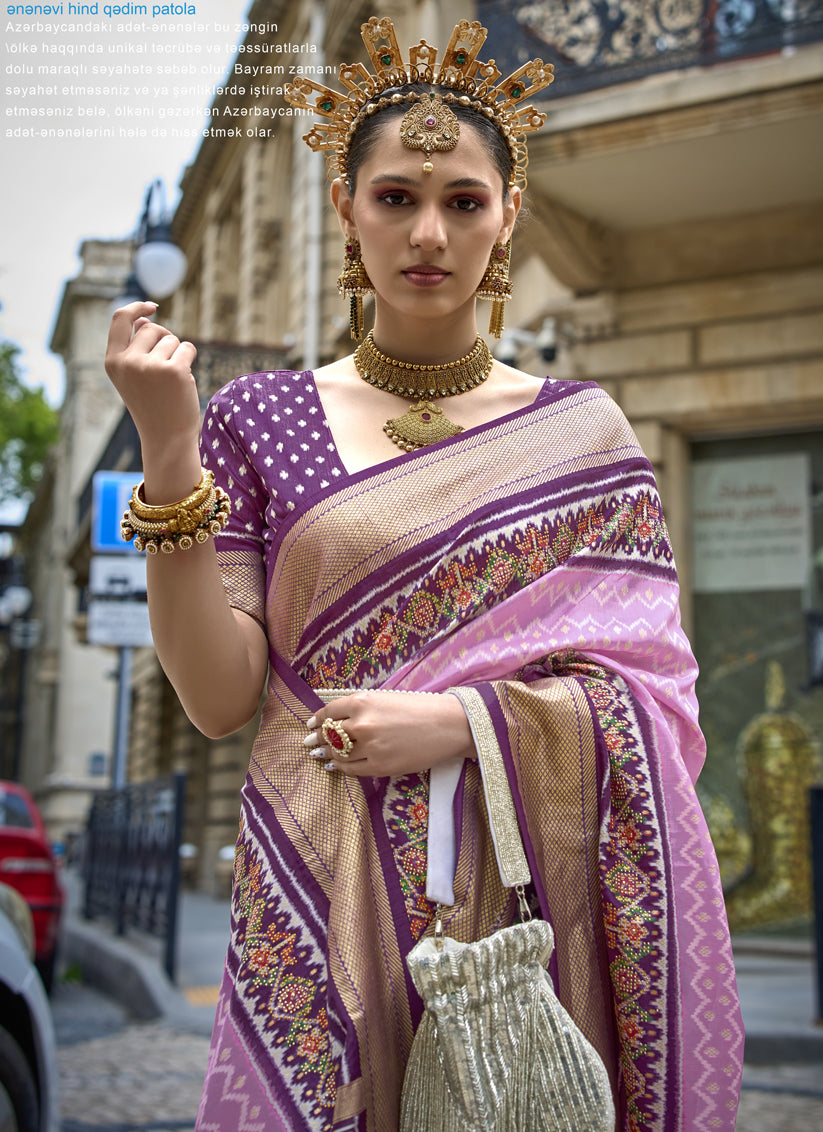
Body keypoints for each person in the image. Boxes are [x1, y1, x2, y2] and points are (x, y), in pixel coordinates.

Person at [104, 16, 743, 1131]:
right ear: (348, 211)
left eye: (463, 200)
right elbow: (215, 698)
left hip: (526, 902)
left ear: (508, 220)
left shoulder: (582, 432)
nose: (429, 232)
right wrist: (169, 455)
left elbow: (655, 701)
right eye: (396, 196)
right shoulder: (267, 417)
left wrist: (467, 724)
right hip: (320, 876)